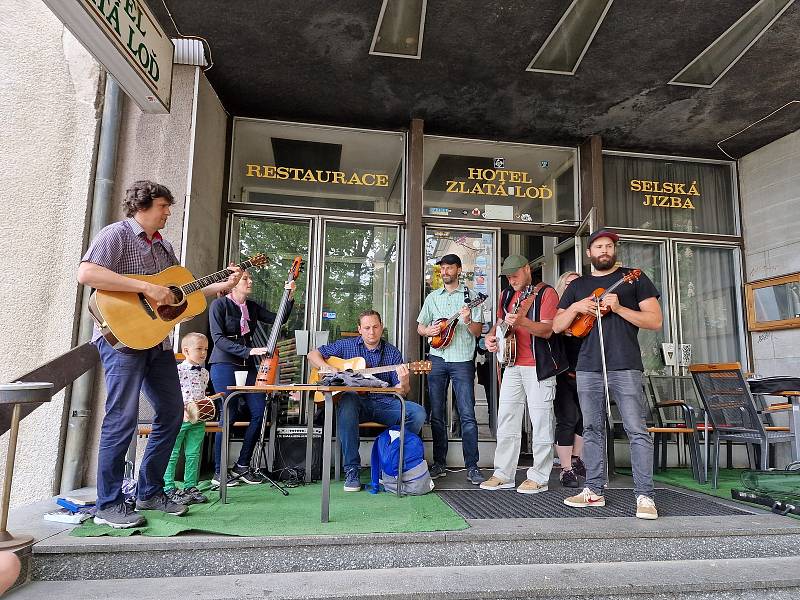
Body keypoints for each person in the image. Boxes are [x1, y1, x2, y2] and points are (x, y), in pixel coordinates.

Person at [77, 180, 242, 528]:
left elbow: (182, 293)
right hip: (121, 341)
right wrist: (145, 286)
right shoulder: (116, 235)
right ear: (144, 206)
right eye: (164, 206)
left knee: (172, 413)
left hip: (159, 344)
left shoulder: (163, 247)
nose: (168, 212)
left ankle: (149, 491)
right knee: (121, 418)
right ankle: (109, 503)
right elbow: (87, 272)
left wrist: (221, 286)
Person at [553, 229, 662, 520]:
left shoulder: (634, 279)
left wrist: (620, 308)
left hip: (625, 363)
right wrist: (576, 306)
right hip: (588, 366)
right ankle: (593, 489)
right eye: (598, 246)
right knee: (591, 429)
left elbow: (655, 320)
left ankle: (645, 495)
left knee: (636, 429)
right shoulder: (579, 286)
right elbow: (556, 325)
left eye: (608, 246)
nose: (604, 250)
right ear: (589, 253)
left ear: (614, 250)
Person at [307, 310, 427, 492]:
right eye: (367, 328)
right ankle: (352, 469)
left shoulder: (393, 353)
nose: (372, 332)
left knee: (417, 413)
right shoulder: (345, 346)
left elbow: (402, 393)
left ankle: (389, 456)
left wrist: (404, 381)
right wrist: (329, 369)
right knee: (348, 399)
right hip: (356, 405)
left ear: (382, 328)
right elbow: (312, 355)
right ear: (359, 329)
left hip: (383, 403)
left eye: (375, 327)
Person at [480, 255, 567, 494]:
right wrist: (491, 337)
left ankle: (539, 476)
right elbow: (499, 324)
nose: (511, 279)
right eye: (508, 276)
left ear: (528, 269)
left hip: (539, 367)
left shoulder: (547, 293)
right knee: (506, 418)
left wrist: (523, 322)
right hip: (511, 364)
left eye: (515, 274)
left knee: (541, 422)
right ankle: (503, 474)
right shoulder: (505, 295)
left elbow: (549, 330)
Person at [209, 269, 294, 486]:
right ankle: (219, 472)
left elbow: (279, 320)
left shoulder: (252, 307)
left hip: (247, 366)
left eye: (249, 278)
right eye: (245, 278)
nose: (250, 281)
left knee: (259, 411)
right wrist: (249, 351)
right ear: (234, 283)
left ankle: (242, 465)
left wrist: (289, 296)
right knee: (228, 414)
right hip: (224, 363)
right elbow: (218, 339)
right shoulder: (219, 305)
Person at [417, 254, 485, 484]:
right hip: (437, 358)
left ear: (458, 270)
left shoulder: (472, 297)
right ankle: (439, 463)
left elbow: (477, 331)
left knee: (467, 414)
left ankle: (472, 466)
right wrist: (429, 332)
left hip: (462, 361)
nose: (445, 271)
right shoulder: (433, 297)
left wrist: (466, 320)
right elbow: (420, 326)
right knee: (436, 414)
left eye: (449, 268)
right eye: (442, 268)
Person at [163, 332, 212, 505]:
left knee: (193, 453)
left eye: (205, 349)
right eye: (199, 348)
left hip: (198, 420)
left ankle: (191, 486)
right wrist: (179, 410)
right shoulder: (176, 371)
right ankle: (168, 486)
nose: (203, 353)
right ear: (186, 350)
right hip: (179, 419)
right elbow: (170, 395)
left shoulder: (205, 373)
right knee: (173, 452)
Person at [553, 271, 586, 488]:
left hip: (585, 370)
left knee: (583, 419)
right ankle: (565, 469)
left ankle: (576, 460)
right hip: (562, 371)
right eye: (569, 283)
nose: (573, 287)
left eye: (577, 284)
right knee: (568, 417)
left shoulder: (587, 313)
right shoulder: (558, 312)